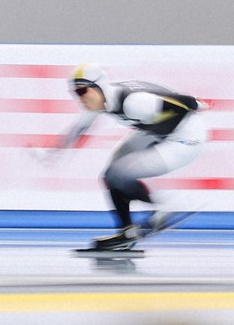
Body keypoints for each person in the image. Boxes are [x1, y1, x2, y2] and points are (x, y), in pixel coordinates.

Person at [57, 63, 208, 250]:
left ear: (98, 86)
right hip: (158, 131)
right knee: (110, 175)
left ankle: (168, 205)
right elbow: (80, 127)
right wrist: (55, 151)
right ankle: (127, 232)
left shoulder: (134, 103)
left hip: (185, 139)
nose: (79, 98)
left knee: (119, 173)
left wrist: (196, 103)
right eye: (75, 93)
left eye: (82, 91)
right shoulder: (102, 98)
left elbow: (179, 102)